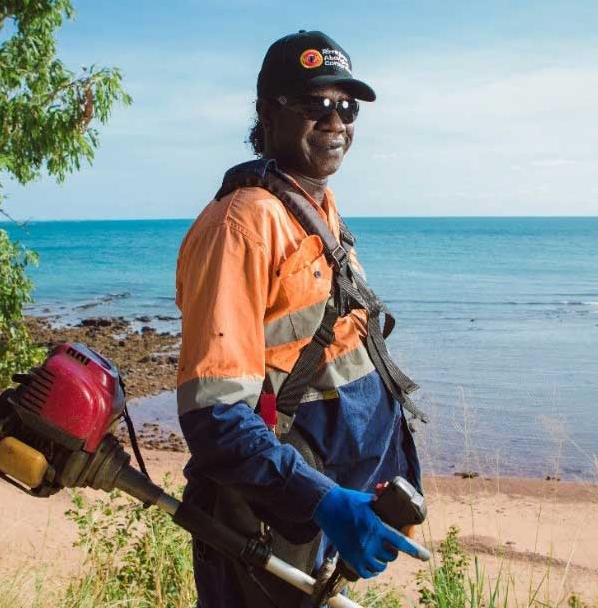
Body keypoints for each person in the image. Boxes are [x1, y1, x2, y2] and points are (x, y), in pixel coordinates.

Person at [175, 30, 424, 608]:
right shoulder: (241, 227)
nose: (335, 120)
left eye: (346, 106)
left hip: (320, 526)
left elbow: (335, 364)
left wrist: (373, 488)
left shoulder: (315, 208)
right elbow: (215, 416)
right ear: (268, 113)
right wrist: (323, 503)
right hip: (265, 528)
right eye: (314, 105)